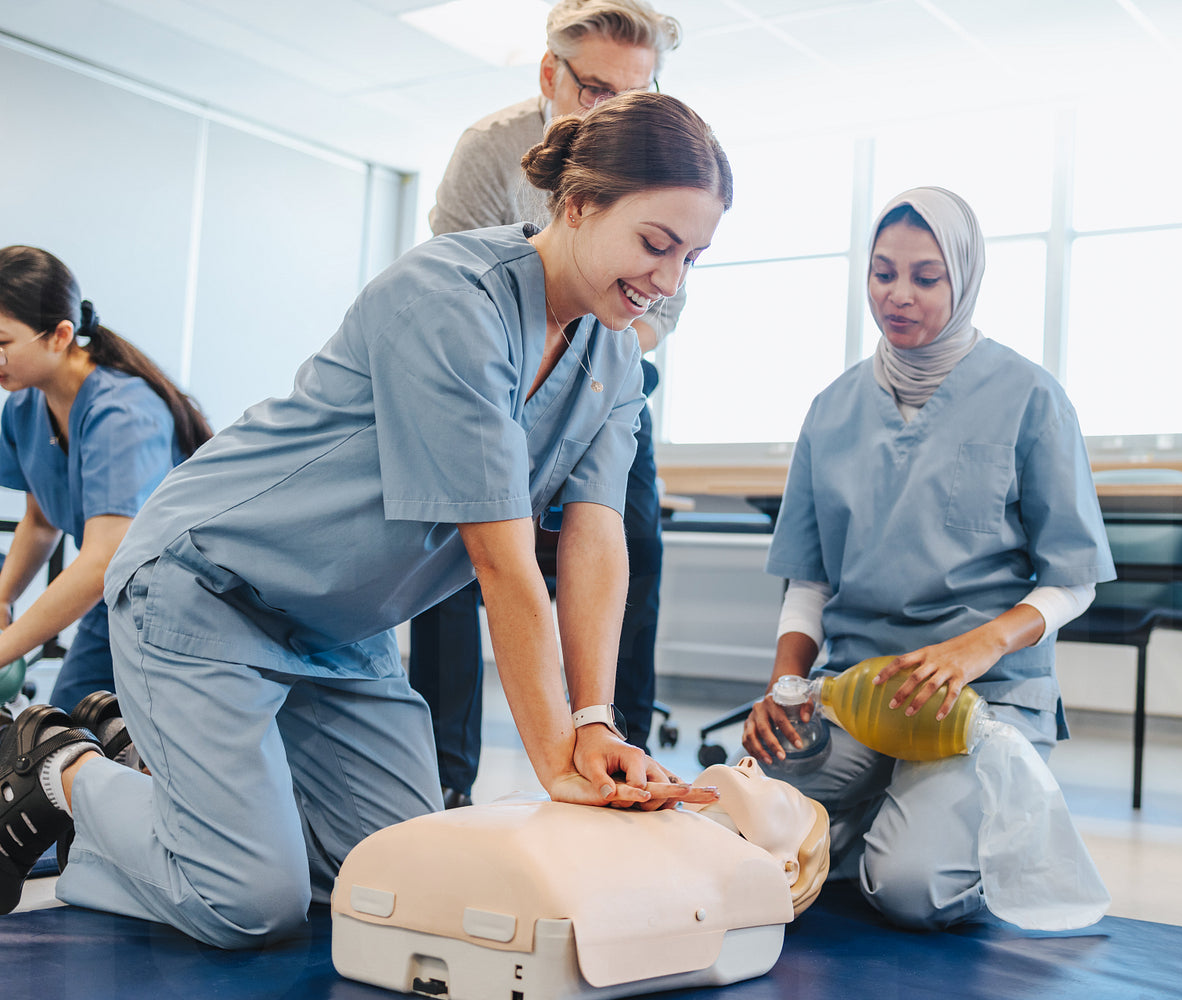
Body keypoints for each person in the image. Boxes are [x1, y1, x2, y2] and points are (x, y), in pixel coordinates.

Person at [0, 91, 731, 944]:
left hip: (339, 630)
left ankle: (166, 786)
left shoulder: (613, 355)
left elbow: (596, 536)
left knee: (394, 878)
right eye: (655, 244)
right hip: (207, 586)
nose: (669, 282)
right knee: (250, 904)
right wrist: (556, 764)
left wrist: (593, 719)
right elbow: (502, 563)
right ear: (577, 204)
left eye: (693, 258)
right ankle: (59, 768)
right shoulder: (454, 297)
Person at [740, 187, 1116, 930]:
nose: (898, 295)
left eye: (925, 277)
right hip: (857, 693)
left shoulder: (1030, 397)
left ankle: (946, 817)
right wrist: (787, 687)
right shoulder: (832, 409)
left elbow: (1073, 581)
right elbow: (809, 580)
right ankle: (889, 808)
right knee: (742, 831)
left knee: (911, 889)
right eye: (882, 273)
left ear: (964, 279)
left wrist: (980, 646)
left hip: (985, 701)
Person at [421, 0, 685, 806]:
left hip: (599, 378)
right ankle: (445, 779)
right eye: (596, 90)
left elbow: (656, 313)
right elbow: (455, 285)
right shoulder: (489, 149)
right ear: (549, 73)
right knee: (449, 555)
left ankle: (621, 750)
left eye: (633, 95)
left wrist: (586, 370)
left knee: (629, 541)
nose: (612, 112)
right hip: (488, 382)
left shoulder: (665, 167)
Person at [0, 247, 212, 712]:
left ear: (60, 335)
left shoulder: (123, 412)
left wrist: (5, 647)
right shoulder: (24, 406)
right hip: (117, 598)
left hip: (188, 608)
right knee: (60, 731)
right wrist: (3, 597)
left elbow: (100, 561)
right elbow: (40, 521)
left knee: (108, 739)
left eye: (1, 343)